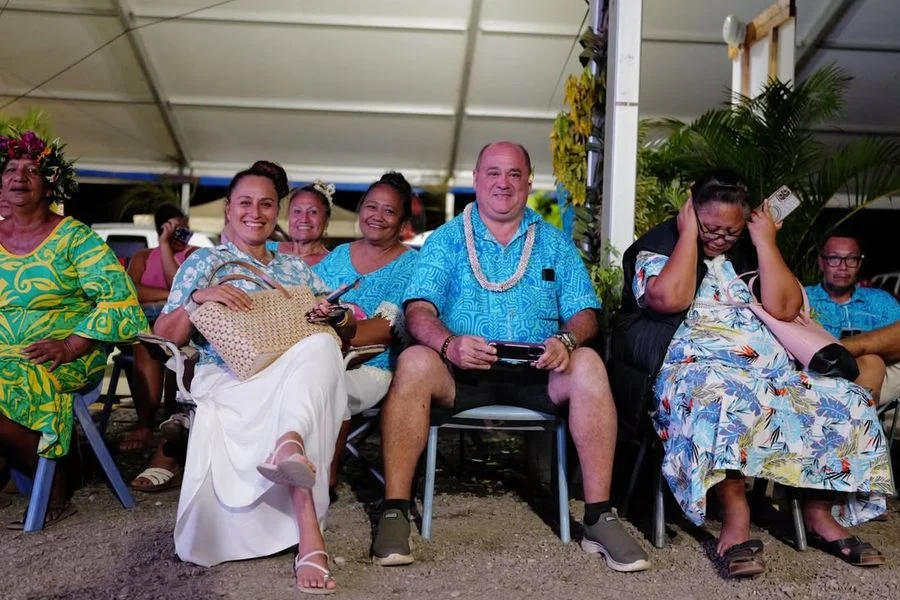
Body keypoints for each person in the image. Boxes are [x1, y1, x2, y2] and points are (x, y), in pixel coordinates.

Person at [370, 141, 650, 573]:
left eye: (514, 174)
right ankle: (393, 510)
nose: (504, 183)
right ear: (477, 180)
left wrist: (567, 342)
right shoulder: (446, 240)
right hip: (459, 371)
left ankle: (599, 518)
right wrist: (449, 345)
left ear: (528, 182)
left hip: (540, 373)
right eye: (494, 173)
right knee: (413, 362)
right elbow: (419, 310)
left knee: (590, 365)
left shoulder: (554, 243)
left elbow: (586, 314)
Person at [612, 169, 893, 577]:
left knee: (845, 398)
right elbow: (669, 299)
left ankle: (818, 510)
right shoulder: (659, 245)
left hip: (768, 369)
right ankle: (736, 517)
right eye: (711, 227)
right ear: (690, 213)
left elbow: (784, 308)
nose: (721, 238)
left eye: (731, 231)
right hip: (694, 370)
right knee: (723, 396)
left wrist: (764, 242)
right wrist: (689, 236)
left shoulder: (750, 247)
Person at [153, 165, 354, 593]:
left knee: (322, 345)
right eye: (245, 202)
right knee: (314, 357)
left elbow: (340, 329)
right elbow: (163, 337)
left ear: (276, 210)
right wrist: (196, 299)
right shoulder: (204, 261)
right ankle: (308, 531)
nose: (255, 212)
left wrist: (334, 314)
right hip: (226, 372)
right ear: (228, 209)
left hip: (290, 370)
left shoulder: (296, 270)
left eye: (266, 204)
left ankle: (288, 446)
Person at [0, 130, 147, 527]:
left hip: (64, 353)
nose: (19, 176)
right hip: (4, 350)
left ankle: (56, 481)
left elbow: (119, 299)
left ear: (51, 183)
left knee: (9, 375)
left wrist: (72, 344)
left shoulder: (75, 237)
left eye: (32, 170)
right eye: (11, 168)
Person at [313, 171, 418, 494]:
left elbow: (383, 331)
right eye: (372, 207)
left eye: (389, 211)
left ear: (402, 223)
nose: (378, 216)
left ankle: (324, 479)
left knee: (330, 387)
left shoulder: (413, 265)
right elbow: (304, 303)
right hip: (320, 356)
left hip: (374, 367)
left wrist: (332, 329)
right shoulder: (339, 256)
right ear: (361, 211)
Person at [120, 203, 199, 455]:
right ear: (162, 229)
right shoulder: (143, 256)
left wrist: (166, 248)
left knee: (157, 337)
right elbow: (132, 291)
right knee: (146, 339)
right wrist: (168, 297)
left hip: (182, 328)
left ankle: (164, 421)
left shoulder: (193, 255)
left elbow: (180, 286)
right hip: (148, 327)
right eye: (175, 230)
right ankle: (146, 423)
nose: (181, 234)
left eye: (184, 228)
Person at [806, 232, 900, 406]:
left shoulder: (881, 301)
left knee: (873, 361)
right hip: (816, 376)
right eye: (834, 259)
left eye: (851, 259)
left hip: (876, 377)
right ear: (822, 262)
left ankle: (837, 349)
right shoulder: (804, 298)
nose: (843, 267)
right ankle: (860, 424)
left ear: (859, 264)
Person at [270, 181, 333, 266]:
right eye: (297, 211)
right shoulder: (266, 249)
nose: (304, 219)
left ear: (326, 220)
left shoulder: (336, 265)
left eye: (313, 212)